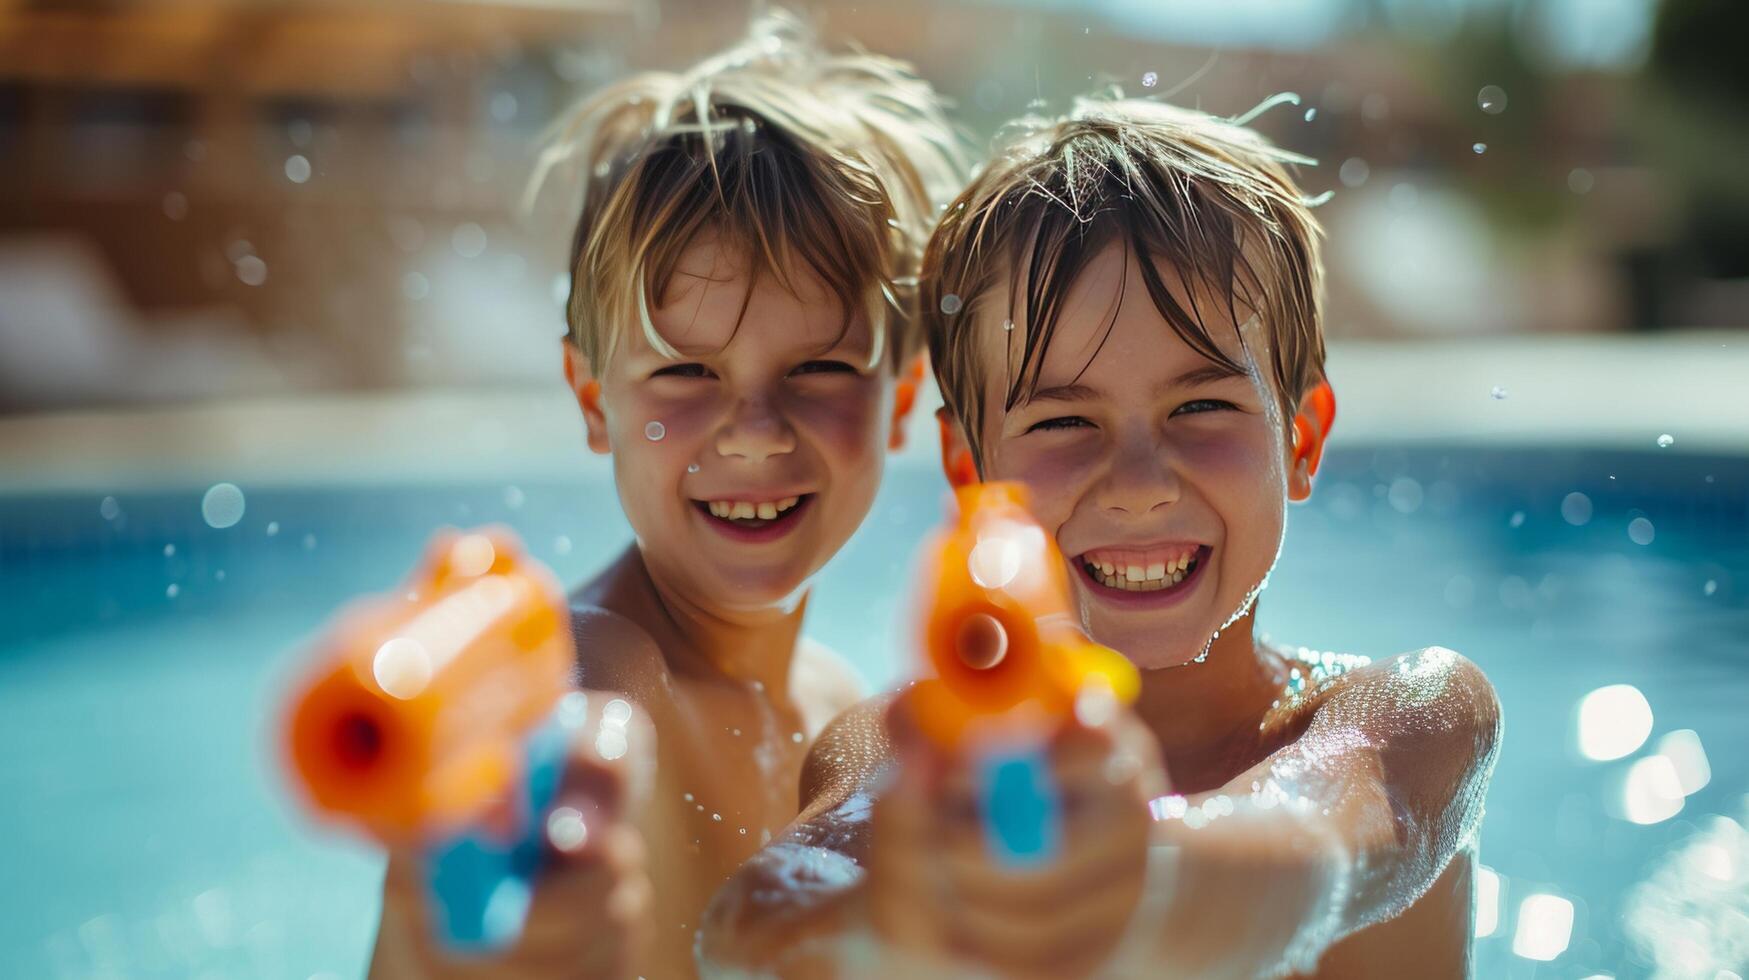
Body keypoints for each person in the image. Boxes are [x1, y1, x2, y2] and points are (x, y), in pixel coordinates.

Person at [699, 95, 1502, 979]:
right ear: (969, 472)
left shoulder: (1412, 716)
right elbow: (765, 910)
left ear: (1300, 438)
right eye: (1061, 424)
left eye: (1200, 407)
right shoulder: (897, 748)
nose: (1139, 485)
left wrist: (1133, 872)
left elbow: (1313, 843)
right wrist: (888, 919)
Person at [367, 11, 965, 977]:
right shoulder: (599, 663)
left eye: (815, 368)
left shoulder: (837, 702)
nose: (756, 428)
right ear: (592, 399)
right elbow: (574, 722)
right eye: (687, 373)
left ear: (898, 400)